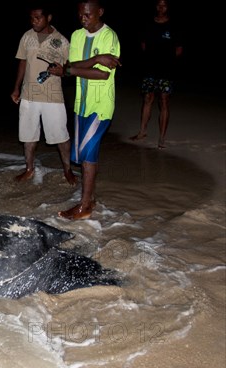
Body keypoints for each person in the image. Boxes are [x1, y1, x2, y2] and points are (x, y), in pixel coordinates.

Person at [47, 0, 121, 220]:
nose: (84, 18)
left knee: (87, 153)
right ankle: (92, 198)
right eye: (80, 15)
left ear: (100, 12)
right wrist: (97, 59)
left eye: (88, 14)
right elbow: (71, 64)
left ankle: (85, 205)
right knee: (85, 154)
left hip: (101, 106)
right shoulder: (77, 35)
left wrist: (73, 69)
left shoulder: (110, 37)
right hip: (82, 104)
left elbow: (103, 74)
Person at [10, 2, 77, 185]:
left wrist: (63, 71)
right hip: (29, 94)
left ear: (48, 18)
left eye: (38, 17)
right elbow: (22, 62)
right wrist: (16, 88)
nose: (34, 21)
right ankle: (29, 169)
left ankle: (68, 170)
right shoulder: (27, 36)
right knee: (28, 136)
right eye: (31, 18)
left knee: (61, 136)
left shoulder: (61, 40)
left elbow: (72, 65)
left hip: (52, 95)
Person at [129, 0, 183, 149]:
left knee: (164, 100)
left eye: (164, 4)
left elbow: (179, 49)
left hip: (166, 70)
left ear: (168, 7)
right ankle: (142, 132)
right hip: (150, 69)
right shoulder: (148, 24)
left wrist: (167, 62)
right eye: (158, 4)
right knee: (147, 98)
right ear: (155, 6)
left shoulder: (174, 26)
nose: (161, 7)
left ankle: (162, 138)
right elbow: (143, 45)